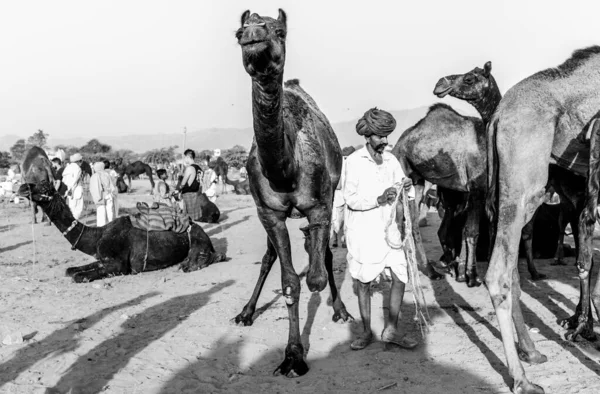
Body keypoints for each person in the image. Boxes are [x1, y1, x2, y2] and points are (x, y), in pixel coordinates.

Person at [344, 107, 418, 351]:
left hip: (389, 232)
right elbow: (351, 199)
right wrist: (378, 198)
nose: (385, 141)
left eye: (387, 136)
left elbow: (405, 190)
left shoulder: (391, 159)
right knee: (363, 282)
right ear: (368, 136)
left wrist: (406, 186)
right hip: (363, 232)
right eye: (380, 136)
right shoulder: (354, 161)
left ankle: (391, 330)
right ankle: (366, 332)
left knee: (399, 276)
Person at [331, 146, 355, 248]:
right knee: (342, 219)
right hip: (342, 196)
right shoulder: (349, 164)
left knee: (338, 219)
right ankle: (340, 238)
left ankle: (340, 239)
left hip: (343, 197)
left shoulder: (338, 163)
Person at [177, 149, 203, 220]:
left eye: (185, 157)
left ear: (188, 157)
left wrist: (178, 190)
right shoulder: (199, 168)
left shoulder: (190, 168)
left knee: (187, 217)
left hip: (188, 194)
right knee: (193, 217)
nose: (184, 159)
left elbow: (183, 183)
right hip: (195, 193)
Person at [89, 162, 117, 226]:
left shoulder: (95, 176)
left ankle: (101, 228)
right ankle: (111, 227)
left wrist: (97, 198)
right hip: (109, 195)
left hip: (100, 196)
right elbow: (112, 186)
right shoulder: (107, 174)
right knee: (110, 213)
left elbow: (94, 189)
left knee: (101, 214)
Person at [62, 153, 85, 219]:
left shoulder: (67, 167)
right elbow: (74, 181)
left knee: (71, 207)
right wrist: (71, 190)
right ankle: (75, 224)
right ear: (78, 161)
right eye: (81, 161)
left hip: (68, 190)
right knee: (78, 209)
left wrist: (68, 191)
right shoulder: (78, 168)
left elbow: (64, 180)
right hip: (75, 190)